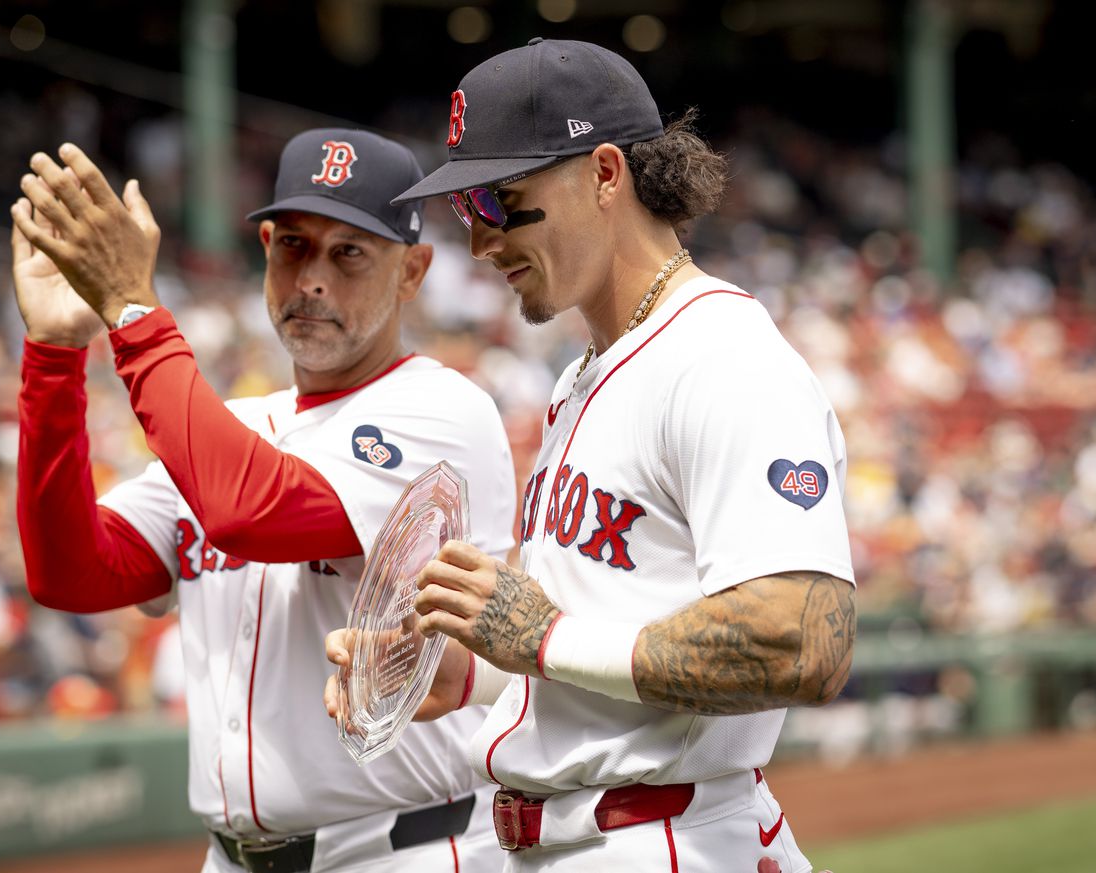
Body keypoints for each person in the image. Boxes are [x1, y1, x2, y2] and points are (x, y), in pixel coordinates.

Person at [332, 39, 856, 872]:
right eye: (467, 212)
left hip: (667, 838)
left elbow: (803, 640)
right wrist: (469, 676)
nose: (481, 242)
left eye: (502, 201)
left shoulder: (721, 357)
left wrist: (542, 637)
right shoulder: (586, 373)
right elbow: (601, 630)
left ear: (606, 173)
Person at [10, 128, 516, 872]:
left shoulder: (443, 409)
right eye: (293, 246)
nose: (312, 277)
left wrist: (131, 310)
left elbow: (248, 511)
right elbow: (71, 571)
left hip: (402, 850)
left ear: (412, 271)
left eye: (349, 252)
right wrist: (53, 355)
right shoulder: (236, 429)